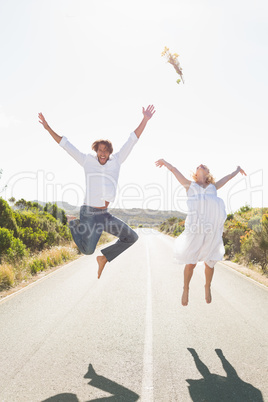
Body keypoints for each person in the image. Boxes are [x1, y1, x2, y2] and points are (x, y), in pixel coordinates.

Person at [39, 105, 155, 278]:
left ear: (109, 152)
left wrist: (145, 119)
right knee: (87, 251)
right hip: (89, 213)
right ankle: (73, 223)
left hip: (104, 215)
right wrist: (48, 128)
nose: (103, 153)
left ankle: (104, 258)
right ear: (96, 151)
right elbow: (66, 145)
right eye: (100, 150)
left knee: (131, 237)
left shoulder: (117, 160)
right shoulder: (87, 161)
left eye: (106, 150)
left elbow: (132, 139)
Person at [155, 160, 246, 306]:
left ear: (208, 173)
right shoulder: (188, 185)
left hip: (211, 229)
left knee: (210, 263)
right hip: (195, 229)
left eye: (204, 166)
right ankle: (186, 288)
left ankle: (207, 286)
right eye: (199, 166)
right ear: (196, 172)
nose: (201, 165)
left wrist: (238, 169)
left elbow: (228, 177)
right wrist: (164, 162)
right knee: (190, 263)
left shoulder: (213, 186)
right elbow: (174, 169)